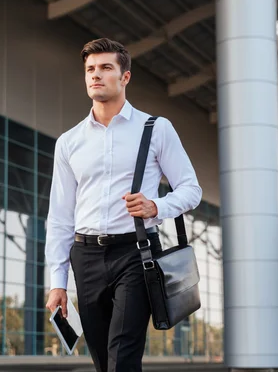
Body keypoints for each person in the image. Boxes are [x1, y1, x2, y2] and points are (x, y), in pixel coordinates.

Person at [44, 37, 202, 372]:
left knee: (122, 355)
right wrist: (57, 281)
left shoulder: (156, 129)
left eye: (105, 68)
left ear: (125, 77)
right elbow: (59, 216)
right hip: (84, 258)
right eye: (90, 69)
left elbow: (191, 189)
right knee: (103, 361)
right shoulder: (69, 142)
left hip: (136, 254)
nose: (95, 75)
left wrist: (155, 207)